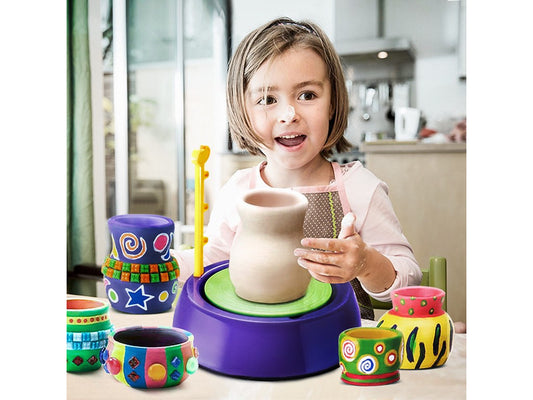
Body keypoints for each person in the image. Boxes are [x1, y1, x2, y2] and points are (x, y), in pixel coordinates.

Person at [173, 17, 421, 320]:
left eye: (307, 95)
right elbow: (210, 264)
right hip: (261, 345)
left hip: (345, 353)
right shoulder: (238, 191)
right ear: (243, 110)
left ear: (332, 103)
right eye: (268, 99)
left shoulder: (359, 188)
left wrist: (365, 263)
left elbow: (407, 281)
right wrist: (166, 264)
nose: (289, 114)